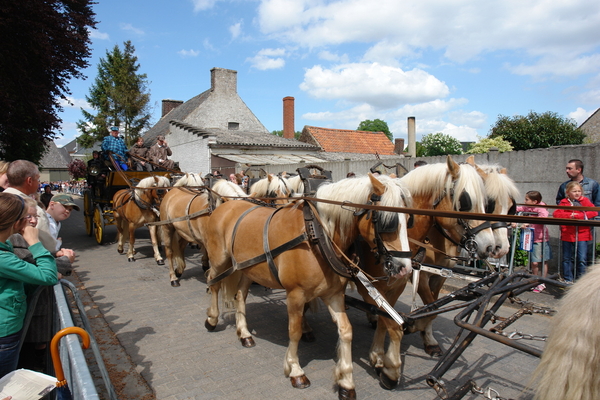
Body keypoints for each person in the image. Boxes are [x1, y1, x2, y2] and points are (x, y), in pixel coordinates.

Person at [0, 192, 58, 379]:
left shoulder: (5, 248)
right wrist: (34, 242)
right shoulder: (3, 256)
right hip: (5, 334)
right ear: (15, 222)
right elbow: (48, 276)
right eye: (26, 217)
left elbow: (26, 280)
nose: (30, 221)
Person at [553, 181, 598, 283]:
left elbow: (594, 211)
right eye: (574, 191)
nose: (577, 193)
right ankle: (568, 279)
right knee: (567, 258)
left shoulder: (585, 201)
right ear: (568, 192)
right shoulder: (564, 202)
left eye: (579, 191)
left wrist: (579, 216)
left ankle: (580, 279)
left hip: (582, 234)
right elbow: (557, 214)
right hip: (568, 234)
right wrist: (569, 216)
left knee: (582, 258)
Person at [516, 191, 551, 292]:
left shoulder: (541, 208)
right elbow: (518, 208)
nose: (524, 201)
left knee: (541, 261)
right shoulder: (527, 207)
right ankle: (535, 279)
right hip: (531, 238)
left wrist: (528, 223)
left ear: (535, 201)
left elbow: (543, 218)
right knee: (533, 262)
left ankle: (542, 281)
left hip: (540, 238)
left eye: (527, 199)